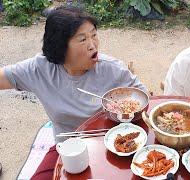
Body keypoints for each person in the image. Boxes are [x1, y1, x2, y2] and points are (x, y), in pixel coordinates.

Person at [0, 6, 147, 179]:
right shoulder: (40, 69)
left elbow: (143, 99)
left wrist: (123, 112)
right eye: (82, 39)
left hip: (110, 145)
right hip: (68, 147)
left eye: (94, 35)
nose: (93, 45)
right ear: (61, 45)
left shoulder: (112, 69)